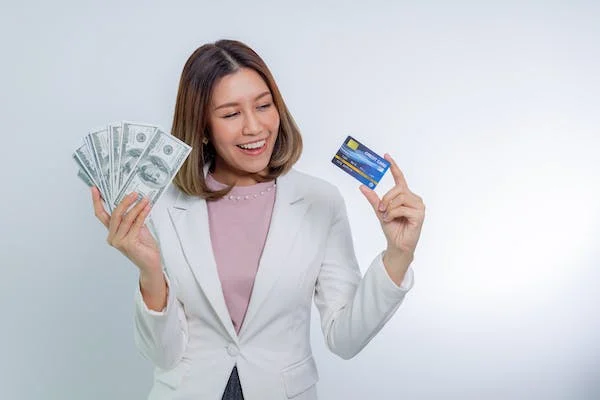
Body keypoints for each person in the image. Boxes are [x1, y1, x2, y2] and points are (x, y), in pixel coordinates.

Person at [91, 39, 426, 400]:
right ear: (202, 127)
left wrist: (397, 255)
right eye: (231, 114)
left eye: (264, 106)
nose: (254, 127)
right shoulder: (161, 205)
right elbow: (163, 354)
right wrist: (150, 273)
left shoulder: (320, 201)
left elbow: (345, 338)